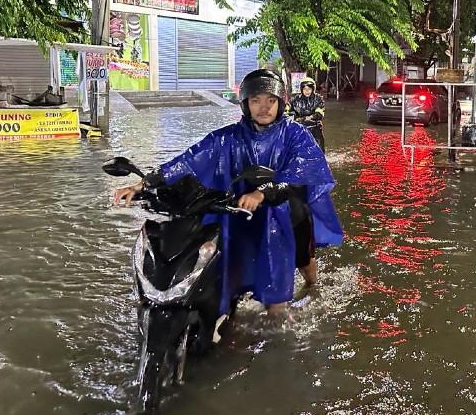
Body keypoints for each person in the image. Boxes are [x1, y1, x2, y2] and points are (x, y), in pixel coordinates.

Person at [113, 69, 343, 317]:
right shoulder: (228, 137)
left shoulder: (296, 134)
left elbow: (300, 173)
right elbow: (189, 160)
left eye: (271, 100)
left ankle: (311, 288)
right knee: (230, 273)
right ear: (246, 104)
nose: (264, 107)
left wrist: (263, 192)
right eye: (256, 100)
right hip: (239, 212)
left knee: (295, 273)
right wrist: (145, 183)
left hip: (286, 213)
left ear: (280, 103)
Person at [287, 77, 326, 152]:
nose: (307, 91)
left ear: (313, 89)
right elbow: (286, 112)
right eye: (305, 89)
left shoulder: (318, 99)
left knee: (319, 153)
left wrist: (306, 118)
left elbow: (319, 114)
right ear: (301, 89)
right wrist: (293, 116)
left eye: (309, 89)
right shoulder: (295, 100)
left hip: (315, 130)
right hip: (300, 131)